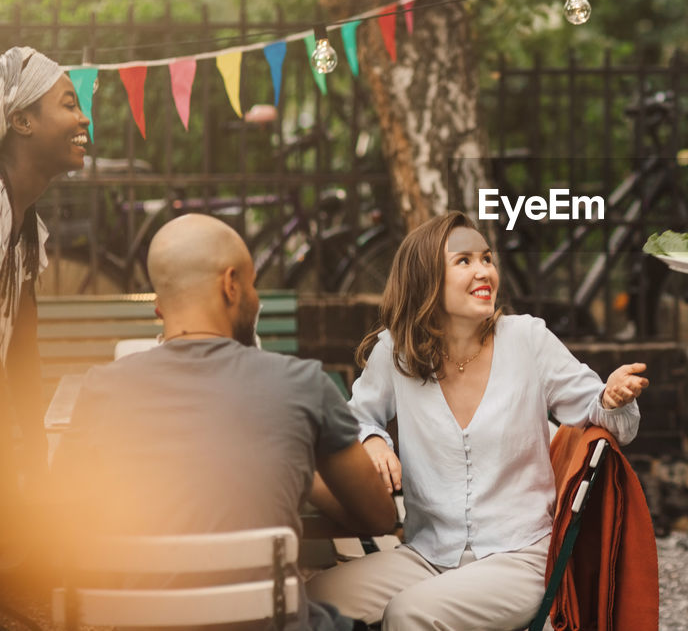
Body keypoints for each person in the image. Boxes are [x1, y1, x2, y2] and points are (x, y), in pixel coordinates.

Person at [51, 214, 396, 631]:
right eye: (252, 285)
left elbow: (64, 524)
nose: (254, 297)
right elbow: (378, 516)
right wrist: (294, 468)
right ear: (231, 284)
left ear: (161, 304)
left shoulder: (98, 391)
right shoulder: (302, 384)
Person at [307, 211, 649, 631]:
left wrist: (611, 398)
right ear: (426, 278)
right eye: (464, 261)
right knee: (307, 601)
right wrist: (373, 440)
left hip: (519, 558)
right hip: (428, 556)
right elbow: (353, 421)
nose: (484, 270)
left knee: (410, 614)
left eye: (486, 258)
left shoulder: (528, 339)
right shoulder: (396, 351)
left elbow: (609, 420)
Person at [0, 46, 90, 541]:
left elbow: (21, 352)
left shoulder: (25, 227)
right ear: (21, 120)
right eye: (69, 103)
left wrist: (35, 465)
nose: (85, 117)